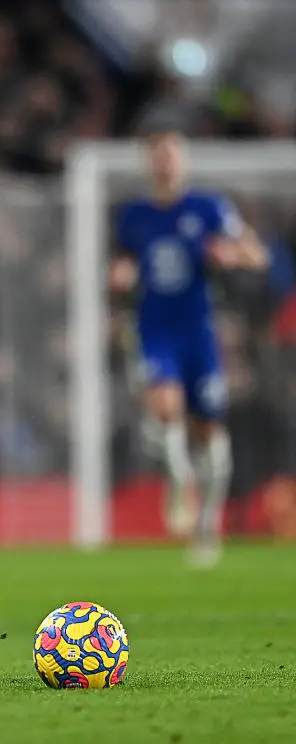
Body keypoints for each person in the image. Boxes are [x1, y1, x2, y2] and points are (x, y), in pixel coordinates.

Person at [110, 128, 268, 566]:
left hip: (198, 333)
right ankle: (180, 478)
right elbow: (123, 261)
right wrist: (120, 274)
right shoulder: (134, 217)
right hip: (155, 329)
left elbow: (257, 254)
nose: (166, 162)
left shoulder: (210, 208)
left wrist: (232, 256)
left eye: (173, 154)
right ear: (149, 162)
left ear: (184, 161)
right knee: (164, 408)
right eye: (159, 154)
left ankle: (206, 526)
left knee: (208, 431)